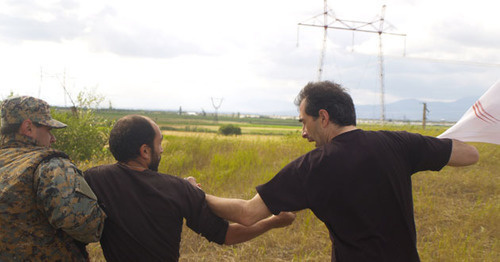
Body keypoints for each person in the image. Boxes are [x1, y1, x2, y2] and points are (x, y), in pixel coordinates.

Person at [197, 81, 480, 262]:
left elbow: (247, 213)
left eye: (304, 122)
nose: (303, 133)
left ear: (323, 117)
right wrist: (428, 145)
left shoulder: (313, 166)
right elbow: (470, 154)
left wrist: (195, 194)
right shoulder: (397, 142)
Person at [84, 114, 295, 261]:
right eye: (160, 143)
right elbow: (227, 235)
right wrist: (273, 222)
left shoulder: (93, 179)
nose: (162, 149)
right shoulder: (177, 189)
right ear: (145, 151)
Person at [0, 96, 106, 261]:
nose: (53, 138)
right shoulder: (51, 166)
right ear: (28, 127)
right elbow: (88, 227)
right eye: (48, 130)